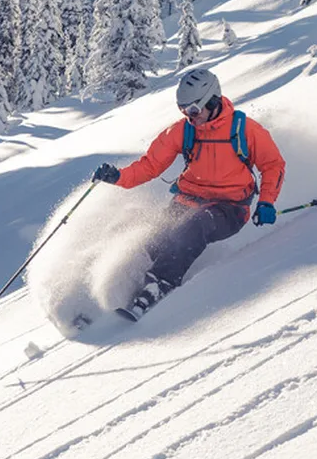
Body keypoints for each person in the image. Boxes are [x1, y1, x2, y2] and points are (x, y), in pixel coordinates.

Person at [92, 68, 286, 321]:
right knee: (153, 232)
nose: (189, 117)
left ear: (212, 101)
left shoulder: (244, 130)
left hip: (230, 208)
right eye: (183, 111)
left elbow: (273, 165)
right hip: (187, 199)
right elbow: (150, 165)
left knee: (196, 224)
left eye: (193, 110)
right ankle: (120, 289)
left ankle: (159, 284)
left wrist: (266, 202)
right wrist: (118, 177)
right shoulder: (184, 131)